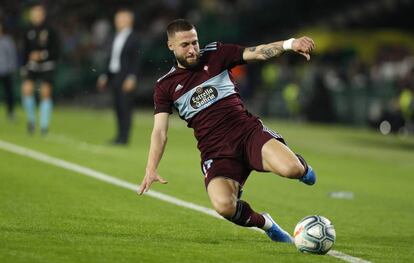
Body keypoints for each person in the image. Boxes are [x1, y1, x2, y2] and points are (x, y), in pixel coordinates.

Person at [139, 19, 316, 243]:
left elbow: (258, 53)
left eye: (195, 42)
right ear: (170, 46)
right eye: (185, 45)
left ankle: (303, 168)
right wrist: (151, 168)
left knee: (292, 170)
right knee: (224, 206)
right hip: (216, 152)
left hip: (247, 133)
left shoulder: (216, 54)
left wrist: (290, 44)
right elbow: (159, 132)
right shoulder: (165, 86)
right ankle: (267, 224)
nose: (193, 49)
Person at [97, 8, 140, 145]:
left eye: (121, 19)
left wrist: (132, 77)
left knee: (125, 107)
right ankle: (119, 136)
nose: (118, 22)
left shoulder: (134, 37)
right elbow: (111, 58)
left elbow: (136, 59)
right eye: (117, 19)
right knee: (117, 107)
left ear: (129, 20)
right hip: (114, 74)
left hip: (125, 76)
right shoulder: (114, 36)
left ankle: (124, 138)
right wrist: (105, 75)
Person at [21, 3, 59, 135]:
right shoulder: (28, 30)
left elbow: (57, 51)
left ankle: (44, 126)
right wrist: (24, 63)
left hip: (47, 65)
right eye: (33, 14)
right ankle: (31, 121)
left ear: (43, 15)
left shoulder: (51, 30)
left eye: (38, 13)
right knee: (26, 90)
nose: (35, 16)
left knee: (45, 93)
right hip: (32, 65)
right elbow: (24, 50)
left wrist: (43, 55)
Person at [0, 19, 17, 121]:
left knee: (9, 93)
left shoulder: (7, 40)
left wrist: (12, 68)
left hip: (6, 71)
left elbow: (12, 55)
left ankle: (10, 113)